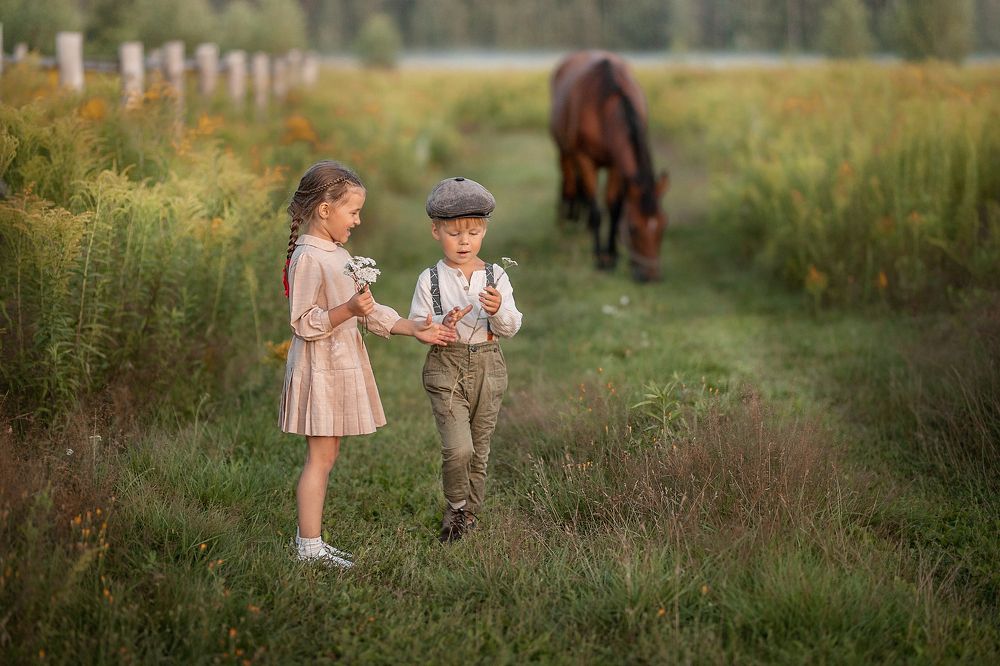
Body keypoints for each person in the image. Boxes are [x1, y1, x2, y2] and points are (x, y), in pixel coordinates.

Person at [280, 161, 457, 567]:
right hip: (319, 368)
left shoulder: (337, 252)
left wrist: (413, 328)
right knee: (320, 458)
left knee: (328, 455)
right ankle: (308, 547)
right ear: (325, 210)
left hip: (338, 362)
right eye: (353, 212)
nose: (358, 220)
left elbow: (368, 310)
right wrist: (346, 309)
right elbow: (303, 322)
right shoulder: (308, 256)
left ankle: (311, 541)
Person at [408, 176, 523, 543]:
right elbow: (418, 323)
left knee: (480, 447)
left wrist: (499, 309)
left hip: (489, 366)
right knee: (459, 448)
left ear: (484, 232)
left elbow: (510, 327)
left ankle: (469, 513)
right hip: (446, 365)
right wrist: (442, 324)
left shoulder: (496, 276)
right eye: (454, 233)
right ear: (435, 232)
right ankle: (456, 505)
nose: (464, 242)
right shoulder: (429, 280)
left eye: (473, 233)